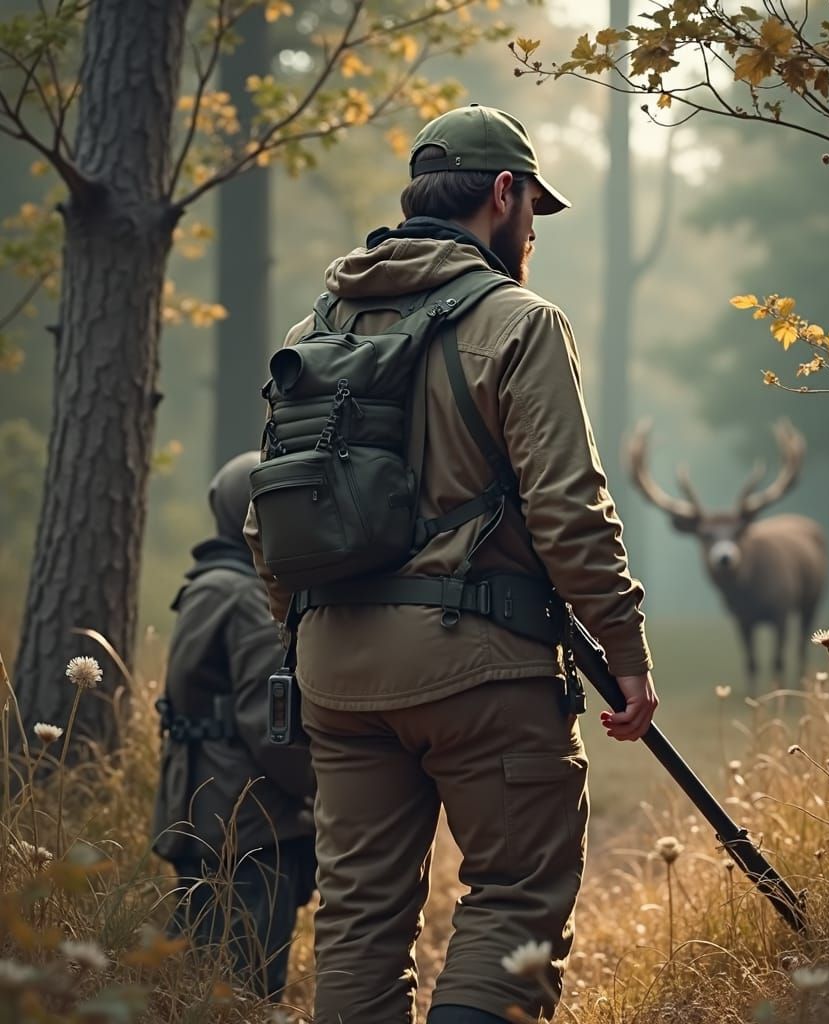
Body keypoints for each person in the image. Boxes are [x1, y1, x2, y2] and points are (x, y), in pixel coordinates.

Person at [245, 104, 658, 1024]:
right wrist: (624, 649)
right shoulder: (519, 322)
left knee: (358, 920)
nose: (530, 233)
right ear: (503, 194)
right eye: (531, 213)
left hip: (334, 675)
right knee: (513, 895)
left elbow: (267, 508)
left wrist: (302, 628)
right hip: (481, 668)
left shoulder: (316, 327)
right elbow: (569, 506)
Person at [152, 451, 317, 1001]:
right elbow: (270, 724)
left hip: (200, 811)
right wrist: (323, 787)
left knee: (198, 979)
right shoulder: (249, 597)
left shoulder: (206, 584)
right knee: (245, 986)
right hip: (250, 822)